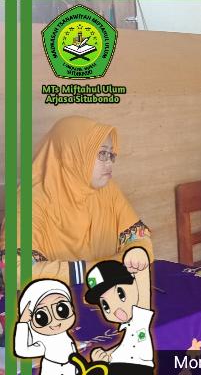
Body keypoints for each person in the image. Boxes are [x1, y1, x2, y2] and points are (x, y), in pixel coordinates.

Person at [0, 116, 153, 286]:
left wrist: (135, 253)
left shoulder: (107, 190)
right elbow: (15, 272)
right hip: (55, 299)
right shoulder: (31, 201)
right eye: (102, 153)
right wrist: (97, 271)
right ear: (70, 156)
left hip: (107, 293)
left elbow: (141, 240)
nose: (110, 163)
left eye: (111, 155)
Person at [84, 246, 155, 375]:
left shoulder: (139, 321)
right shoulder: (129, 330)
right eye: (106, 306)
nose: (116, 310)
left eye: (121, 295)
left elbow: (143, 287)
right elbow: (125, 348)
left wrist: (139, 258)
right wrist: (104, 357)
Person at [15, 278, 77, 375]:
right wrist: (23, 324)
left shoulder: (69, 340)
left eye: (62, 310)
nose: (55, 322)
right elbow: (22, 350)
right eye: (42, 317)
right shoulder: (44, 343)